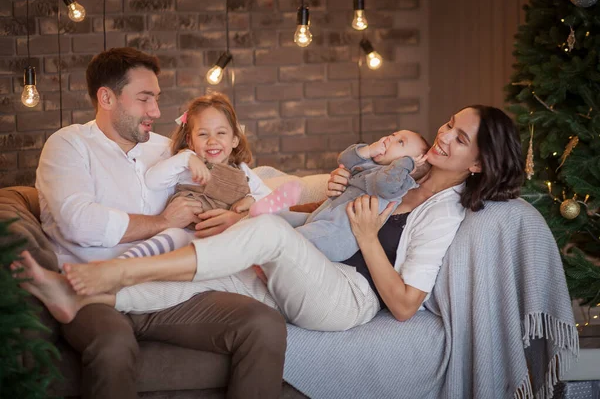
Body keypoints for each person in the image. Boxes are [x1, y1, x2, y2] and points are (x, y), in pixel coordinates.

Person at [19, 105, 523, 333]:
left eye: (460, 140)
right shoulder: (404, 175)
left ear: (477, 163)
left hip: (351, 296)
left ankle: (117, 270)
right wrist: (320, 193)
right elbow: (327, 200)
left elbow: (407, 306)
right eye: (450, 124)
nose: (445, 137)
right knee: (222, 274)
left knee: (265, 233)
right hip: (318, 272)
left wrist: (370, 238)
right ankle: (82, 296)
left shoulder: (444, 213)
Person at [31, 47, 286, 399]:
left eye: (157, 99)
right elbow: (80, 224)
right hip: (92, 290)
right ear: (107, 97)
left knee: (264, 323)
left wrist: (239, 212)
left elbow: (238, 186)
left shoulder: (168, 149)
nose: (156, 111)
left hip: (168, 287)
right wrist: (162, 221)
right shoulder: (69, 145)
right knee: (112, 347)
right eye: (145, 99)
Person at [114, 92, 274, 260]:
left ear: (234, 140)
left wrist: (251, 199)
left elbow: (268, 195)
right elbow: (152, 181)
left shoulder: (242, 171)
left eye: (221, 133)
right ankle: (127, 263)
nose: (212, 141)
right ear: (190, 141)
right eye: (203, 134)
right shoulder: (185, 165)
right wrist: (186, 158)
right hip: (190, 234)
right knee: (171, 237)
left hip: (226, 233)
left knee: (258, 231)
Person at [266, 129, 431, 262]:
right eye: (394, 135)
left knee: (291, 241)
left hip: (336, 235)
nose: (389, 138)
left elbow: (383, 183)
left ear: (409, 169)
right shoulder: (371, 165)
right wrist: (368, 150)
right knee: (276, 219)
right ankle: (260, 231)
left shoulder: (397, 184)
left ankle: (265, 259)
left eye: (400, 142)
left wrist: (407, 163)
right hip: (322, 218)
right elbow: (345, 159)